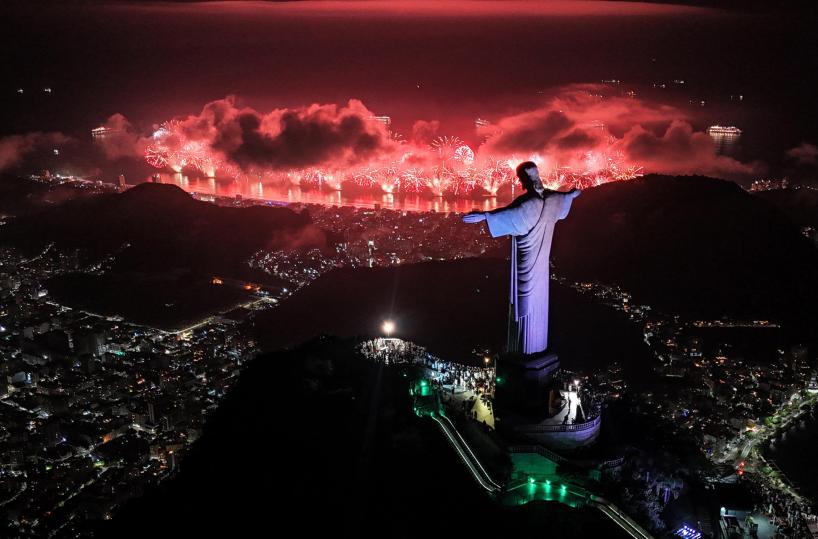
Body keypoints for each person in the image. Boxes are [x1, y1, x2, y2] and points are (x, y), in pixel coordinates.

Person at [463, 162, 580, 356]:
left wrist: (483, 216)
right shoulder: (553, 199)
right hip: (542, 265)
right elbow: (564, 198)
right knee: (537, 301)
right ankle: (534, 348)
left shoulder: (529, 204)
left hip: (527, 261)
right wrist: (571, 196)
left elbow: (510, 215)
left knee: (523, 301)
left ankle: (524, 351)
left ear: (522, 180)